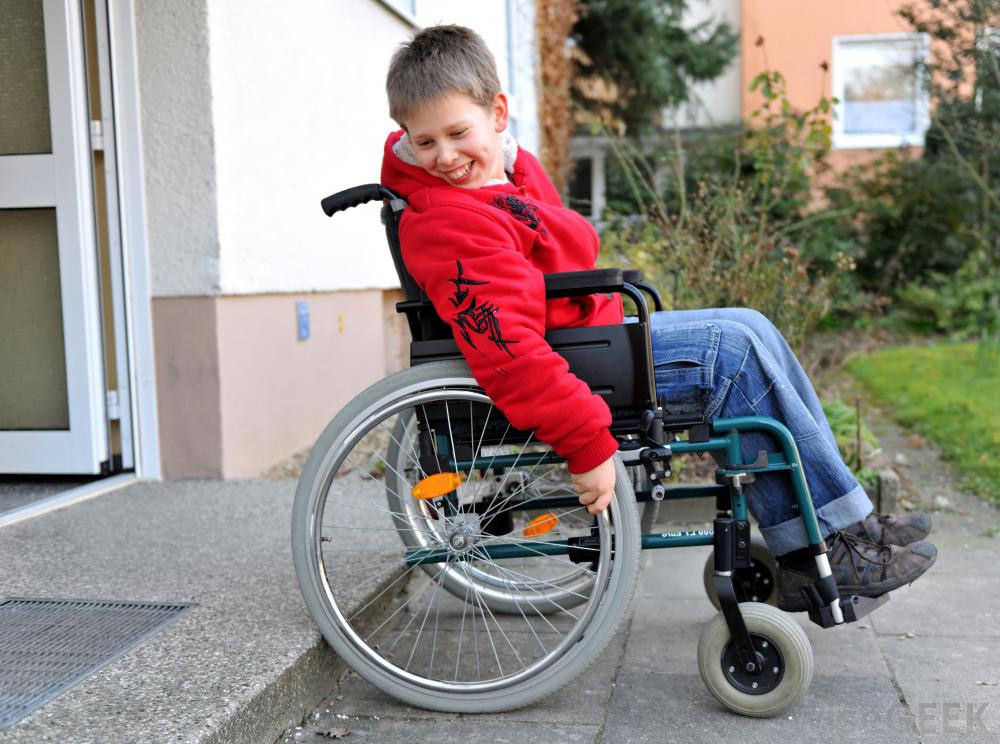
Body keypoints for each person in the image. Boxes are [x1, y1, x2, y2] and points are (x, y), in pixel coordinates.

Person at [379, 24, 936, 611]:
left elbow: (557, 248)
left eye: (458, 133)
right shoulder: (447, 219)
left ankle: (847, 525)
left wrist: (508, 168)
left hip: (586, 342)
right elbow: (508, 348)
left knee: (750, 326)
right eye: (426, 142)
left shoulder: (495, 183)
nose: (444, 156)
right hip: (571, 364)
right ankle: (814, 553)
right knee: (732, 354)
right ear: (405, 139)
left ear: (498, 113)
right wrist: (585, 442)